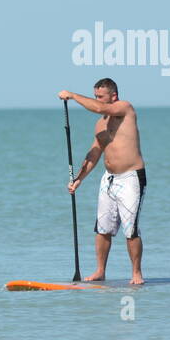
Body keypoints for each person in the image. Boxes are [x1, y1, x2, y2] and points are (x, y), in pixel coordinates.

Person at [58, 79, 146, 285]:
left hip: (131, 177)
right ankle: (100, 271)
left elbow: (99, 108)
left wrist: (72, 95)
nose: (97, 100)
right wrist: (79, 179)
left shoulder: (125, 109)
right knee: (103, 228)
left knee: (130, 229)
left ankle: (137, 273)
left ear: (113, 96)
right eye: (95, 95)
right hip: (108, 179)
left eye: (100, 96)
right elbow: (95, 153)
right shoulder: (100, 124)